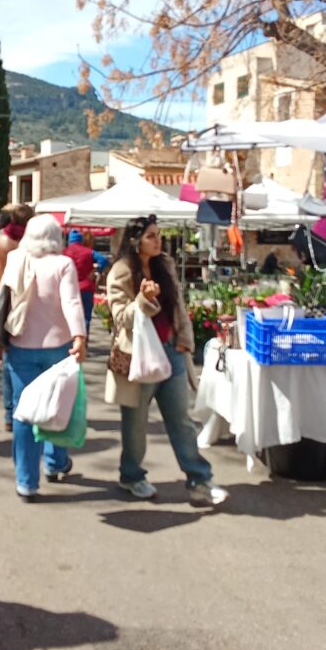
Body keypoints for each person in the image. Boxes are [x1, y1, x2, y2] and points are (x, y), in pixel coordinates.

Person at [105, 214, 229, 506]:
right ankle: (132, 475)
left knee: (181, 420)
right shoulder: (121, 271)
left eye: (158, 234)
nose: (157, 240)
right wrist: (142, 300)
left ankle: (199, 479)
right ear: (135, 241)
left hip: (171, 352)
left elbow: (179, 307)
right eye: (150, 235)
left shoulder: (166, 265)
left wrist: (185, 339)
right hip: (138, 358)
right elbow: (121, 317)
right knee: (135, 424)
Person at [0, 214, 86, 501]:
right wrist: (79, 336)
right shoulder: (63, 264)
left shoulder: (17, 259)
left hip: (20, 346)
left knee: (24, 412)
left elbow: (2, 301)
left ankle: (26, 481)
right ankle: (55, 464)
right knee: (58, 406)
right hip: (59, 347)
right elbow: (71, 301)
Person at [0, 204, 34, 430]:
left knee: (8, 363)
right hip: (27, 306)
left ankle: (9, 413)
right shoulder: (33, 246)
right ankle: (24, 409)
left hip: (1, 306)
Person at [63, 228, 110, 336]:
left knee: (67, 316)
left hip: (69, 288)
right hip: (86, 287)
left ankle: (71, 341)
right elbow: (104, 260)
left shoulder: (64, 252)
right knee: (85, 317)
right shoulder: (88, 252)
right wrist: (96, 270)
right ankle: (84, 340)